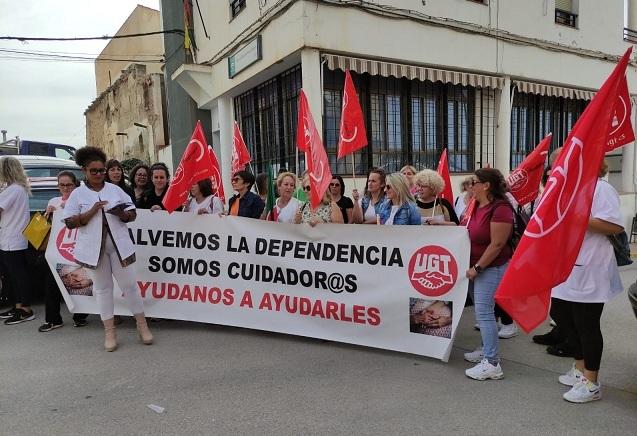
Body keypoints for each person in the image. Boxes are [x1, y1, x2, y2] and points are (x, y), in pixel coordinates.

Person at [62, 146, 153, 351]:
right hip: (94, 251)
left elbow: (132, 212)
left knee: (130, 286)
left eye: (101, 170)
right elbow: (69, 222)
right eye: (94, 171)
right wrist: (92, 211)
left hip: (119, 246)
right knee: (103, 290)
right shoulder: (78, 194)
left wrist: (122, 214)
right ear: (84, 171)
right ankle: (110, 333)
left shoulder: (115, 189)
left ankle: (142, 326)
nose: (99, 174)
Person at [552, 161, 623, 403]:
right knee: (561, 315)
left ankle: (592, 382)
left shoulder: (601, 188)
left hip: (590, 267)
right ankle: (580, 369)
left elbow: (614, 226)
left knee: (586, 324)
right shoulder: (567, 189)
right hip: (566, 266)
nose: (556, 168)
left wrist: (575, 215)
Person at [463, 168, 513, 381]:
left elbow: (498, 243)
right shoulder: (476, 205)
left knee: (484, 313)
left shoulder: (500, 208)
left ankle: (492, 363)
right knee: (485, 313)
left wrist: (478, 268)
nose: (469, 186)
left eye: (473, 182)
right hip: (476, 267)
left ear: (486, 185)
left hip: (490, 268)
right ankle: (486, 350)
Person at [38, 170, 89, 332]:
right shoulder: (53, 201)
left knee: (80, 284)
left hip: (77, 247)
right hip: (57, 249)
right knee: (51, 284)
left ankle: (80, 316)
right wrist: (49, 213)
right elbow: (45, 225)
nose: (65, 188)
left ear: (75, 185)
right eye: (62, 185)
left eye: (69, 185)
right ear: (58, 186)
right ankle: (53, 319)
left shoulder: (81, 200)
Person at [0, 156, 35, 325]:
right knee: (13, 276)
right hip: (13, 238)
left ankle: (26, 310)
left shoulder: (13, 189)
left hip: (11, 239)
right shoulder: (15, 188)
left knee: (18, 276)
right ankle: (18, 305)